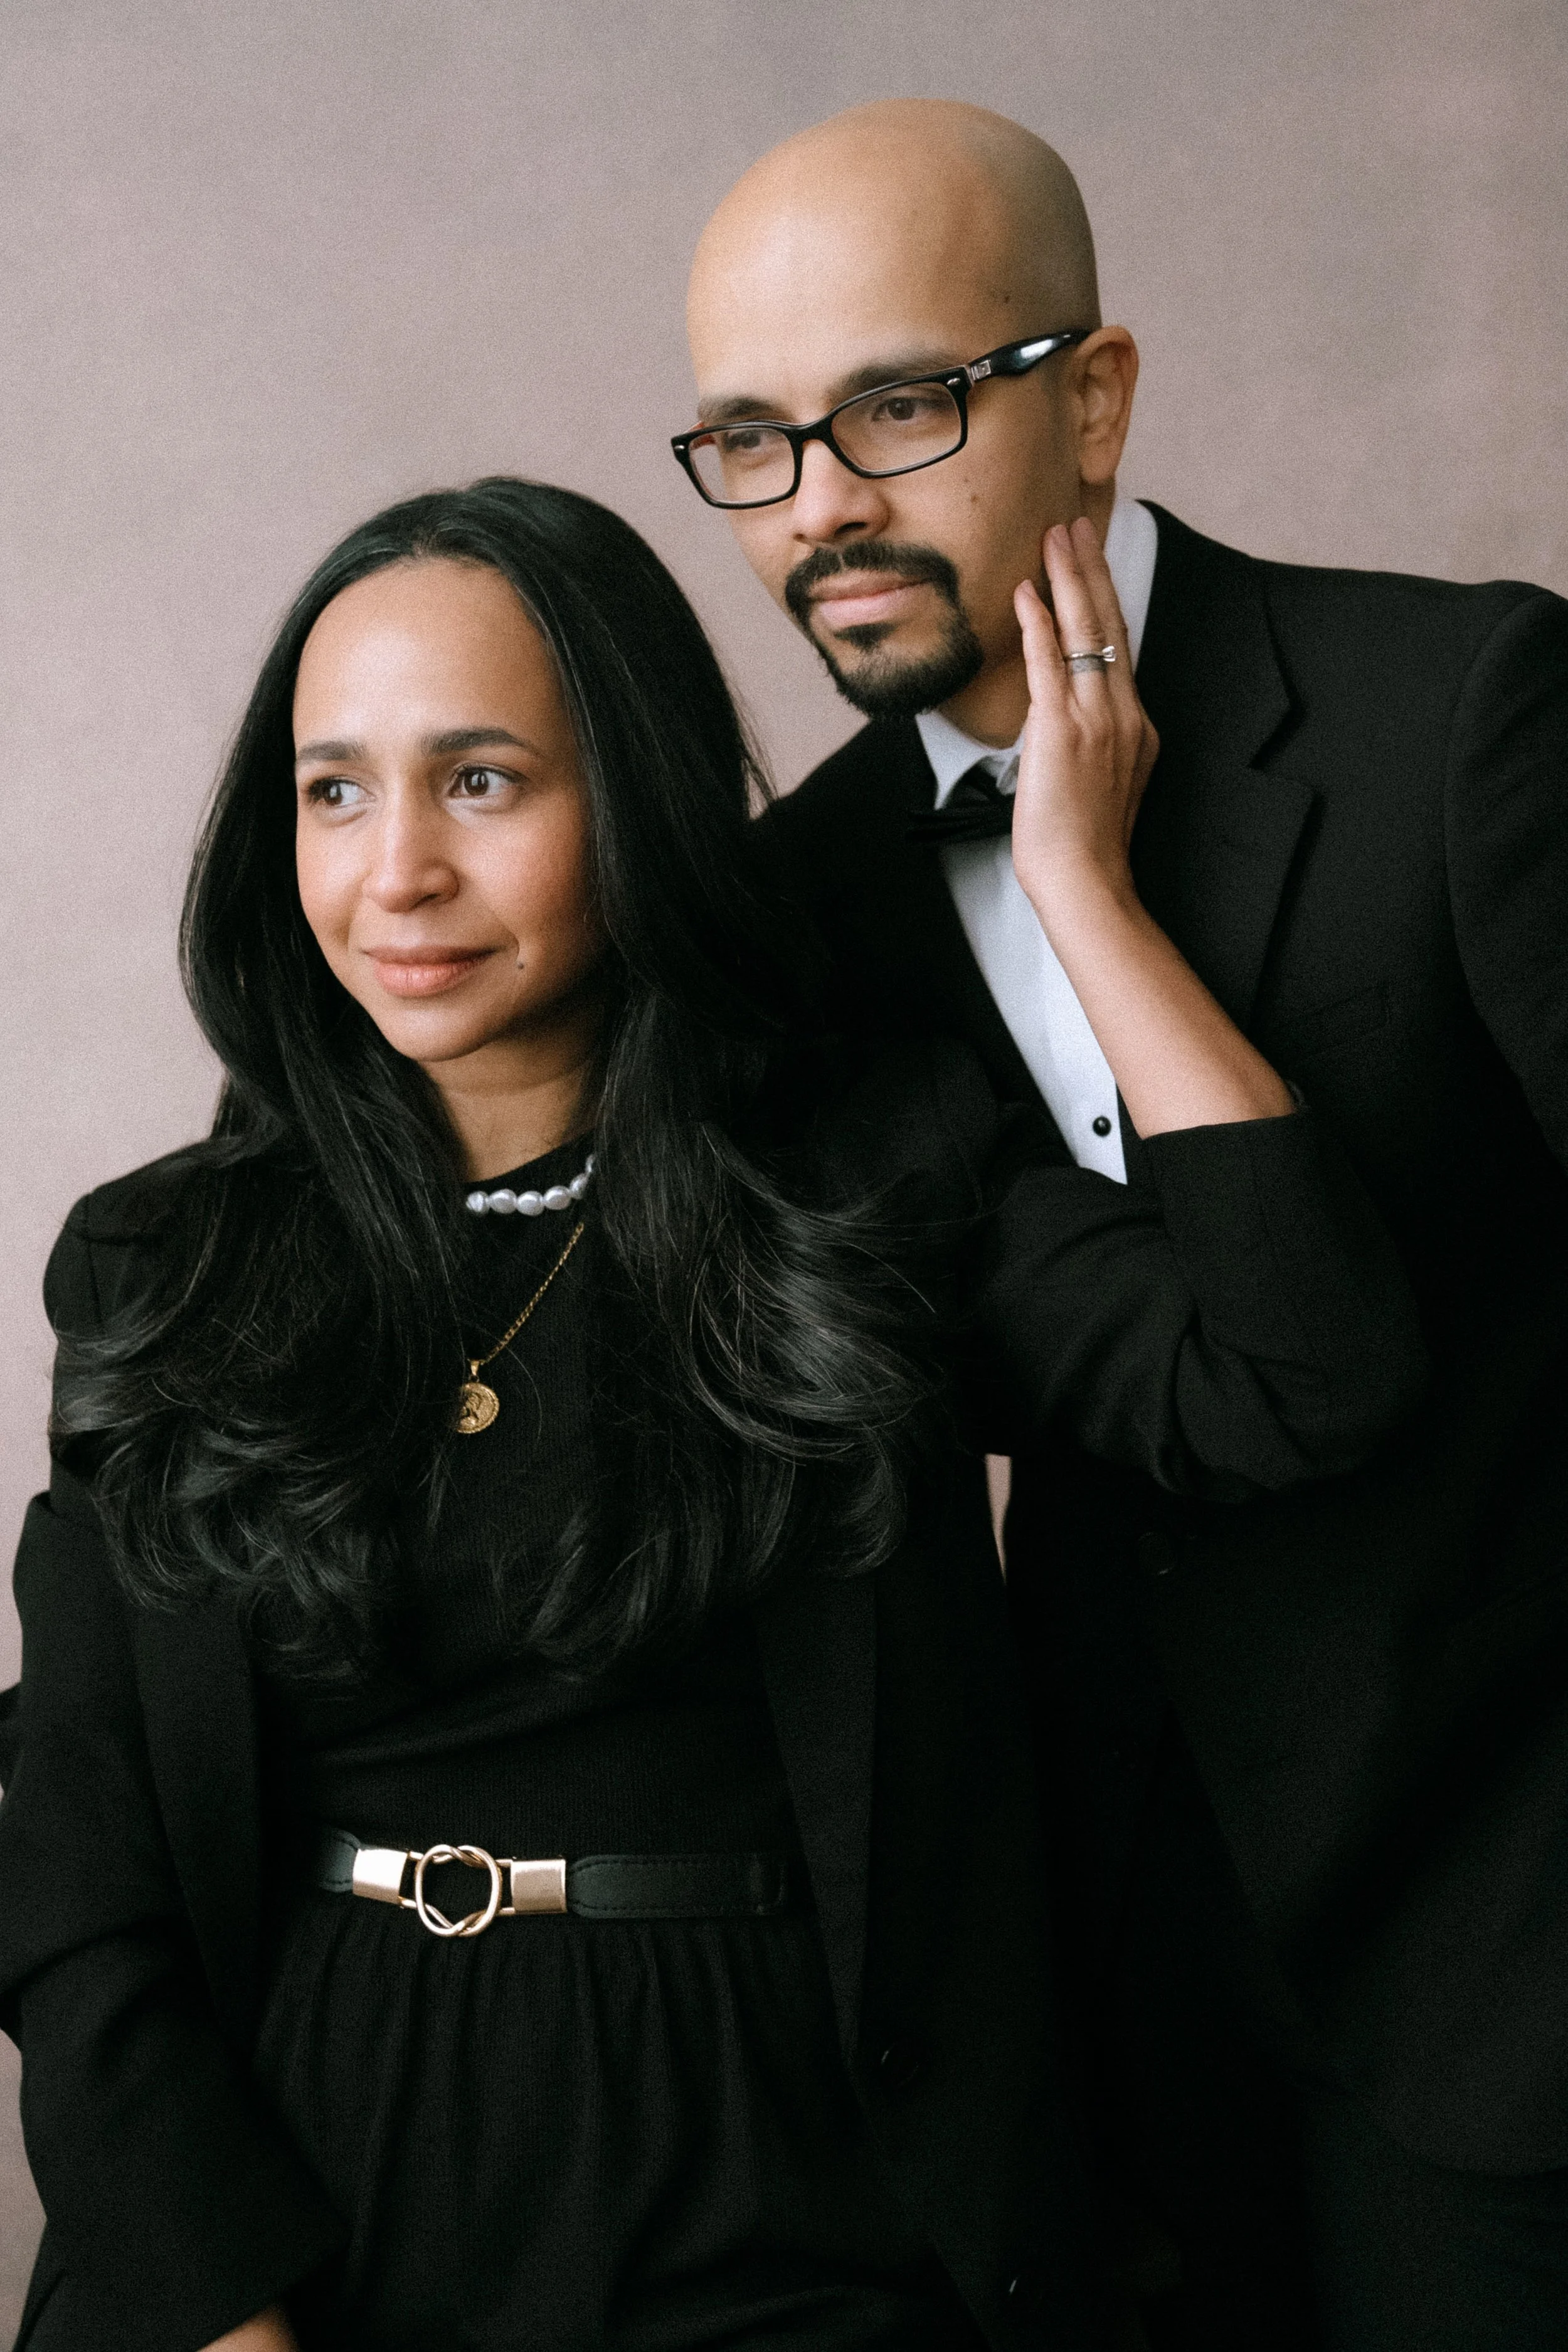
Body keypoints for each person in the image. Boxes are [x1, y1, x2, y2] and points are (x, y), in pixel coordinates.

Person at [0, 476, 1422, 2352]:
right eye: (333, 787)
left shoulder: (863, 1177)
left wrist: (1080, 888)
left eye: (483, 779)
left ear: (640, 802)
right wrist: (218, 2309)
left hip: (796, 2197)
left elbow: (1300, 1373)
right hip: (304, 2186)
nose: (394, 871)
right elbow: (71, 1847)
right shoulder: (166, 1266)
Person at [677, 97, 1568, 2352]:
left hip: (1521, 1957)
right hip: (1112, 2007)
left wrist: (1079, 878)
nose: (822, 508)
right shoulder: (806, 916)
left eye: (894, 404)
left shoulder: (1461, 708)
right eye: (752, 442)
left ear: (1093, 397)